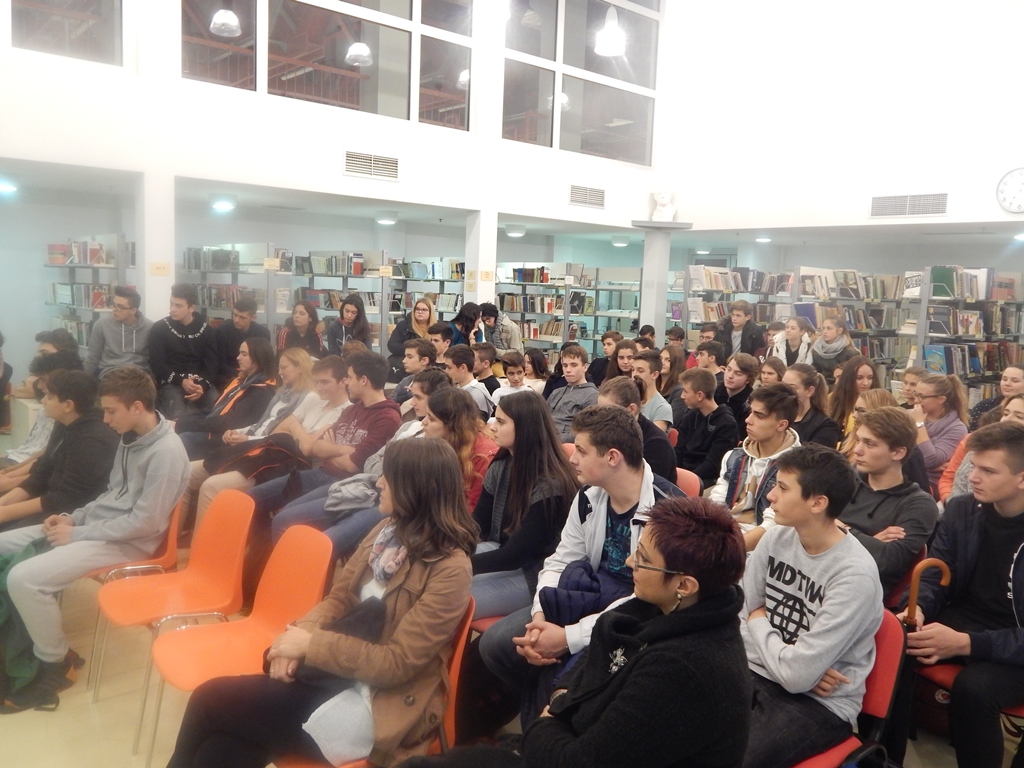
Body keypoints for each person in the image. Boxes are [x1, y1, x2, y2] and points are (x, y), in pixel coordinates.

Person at [165, 438, 476, 768]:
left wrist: (310, 646)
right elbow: (340, 597)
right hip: (335, 672)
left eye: (390, 476)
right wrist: (296, 639)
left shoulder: (450, 570)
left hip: (377, 704)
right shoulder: (388, 530)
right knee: (224, 746)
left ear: (418, 488)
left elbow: (395, 664)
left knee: (209, 701)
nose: (379, 483)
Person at [499, 497, 751, 768]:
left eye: (643, 558)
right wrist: (561, 698)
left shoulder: (683, 670)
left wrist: (545, 724)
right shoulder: (658, 606)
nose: (630, 561)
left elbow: (580, 762)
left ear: (684, 585)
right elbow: (594, 654)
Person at [0, 366, 190, 711]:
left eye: (111, 411)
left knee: (24, 579)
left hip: (129, 543)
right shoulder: (129, 438)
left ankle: (56, 664)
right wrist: (73, 517)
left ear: (137, 407)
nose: (105, 419)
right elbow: (110, 496)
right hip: (97, 529)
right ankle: (20, 641)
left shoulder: (167, 452)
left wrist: (77, 533)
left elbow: (145, 523)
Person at [478, 406, 683, 720]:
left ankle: (555, 717)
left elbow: (649, 600)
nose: (572, 458)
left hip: (638, 613)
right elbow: (561, 560)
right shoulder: (589, 495)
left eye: (582, 451)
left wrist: (567, 638)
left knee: (569, 682)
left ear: (612, 457)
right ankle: (537, 710)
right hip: (588, 596)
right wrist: (541, 614)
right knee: (495, 645)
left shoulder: (668, 513)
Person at [887, 421, 1024, 768]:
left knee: (975, 690)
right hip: (967, 621)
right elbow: (936, 574)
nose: (972, 477)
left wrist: (966, 644)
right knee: (891, 644)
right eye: (973, 466)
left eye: (988, 471)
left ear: (1022, 479)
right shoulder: (963, 510)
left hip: (1014, 642)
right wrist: (917, 608)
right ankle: (884, 758)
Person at [741, 444, 883, 768]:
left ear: (818, 503)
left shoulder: (854, 575)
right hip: (762, 672)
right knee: (677, 722)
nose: (771, 496)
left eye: (782, 488)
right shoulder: (776, 538)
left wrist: (759, 621)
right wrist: (796, 668)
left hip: (819, 703)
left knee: (734, 759)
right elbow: (738, 619)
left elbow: (796, 676)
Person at [270, 368, 451, 563]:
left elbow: (356, 464)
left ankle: (297, 577)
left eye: (418, 397)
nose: (412, 402)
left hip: (388, 501)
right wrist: (346, 452)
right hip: (363, 485)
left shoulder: (435, 445)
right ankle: (277, 575)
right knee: (283, 518)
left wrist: (337, 451)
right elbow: (370, 462)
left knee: (321, 544)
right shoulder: (410, 427)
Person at [187, 350, 338, 525]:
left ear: (300, 368)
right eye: (279, 367)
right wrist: (240, 432)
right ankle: (176, 532)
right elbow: (273, 427)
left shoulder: (310, 397)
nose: (280, 372)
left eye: (284, 367)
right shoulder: (283, 393)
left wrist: (292, 428)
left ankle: (205, 539)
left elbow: (299, 444)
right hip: (258, 445)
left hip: (273, 457)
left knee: (210, 482)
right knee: (187, 472)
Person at [471, 392, 578, 620]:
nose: (492, 427)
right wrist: (446, 546)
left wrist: (459, 565)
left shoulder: (551, 485)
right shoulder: (502, 464)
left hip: (538, 572)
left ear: (525, 428)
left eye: (501, 422)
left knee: (450, 597)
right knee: (435, 577)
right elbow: (479, 522)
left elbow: (516, 555)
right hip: (501, 549)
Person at [0, 370, 118, 534]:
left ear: (68, 405)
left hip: (71, 517)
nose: (43, 401)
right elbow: (41, 474)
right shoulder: (64, 422)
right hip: (51, 501)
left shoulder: (93, 439)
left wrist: (5, 513)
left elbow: (67, 499)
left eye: (49, 397)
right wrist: (3, 504)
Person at [841, 407, 939, 592]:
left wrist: (840, 528)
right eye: (858, 440)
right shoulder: (844, 479)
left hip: (861, 591)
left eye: (870, 444)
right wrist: (871, 542)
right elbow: (806, 528)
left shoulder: (918, 504)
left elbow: (887, 562)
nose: (857, 450)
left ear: (898, 453)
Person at [707, 383, 800, 552]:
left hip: (763, 547)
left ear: (781, 425)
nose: (748, 420)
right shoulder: (734, 457)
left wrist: (725, 550)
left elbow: (774, 525)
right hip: (725, 534)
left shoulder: (796, 468)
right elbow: (718, 502)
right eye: (751, 412)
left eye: (759, 415)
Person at [174, 337, 279, 460]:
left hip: (228, 439)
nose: (238, 357)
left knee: (182, 439)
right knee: (176, 428)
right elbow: (214, 409)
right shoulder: (240, 381)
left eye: (244, 354)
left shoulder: (261, 392)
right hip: (217, 430)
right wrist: (182, 421)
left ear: (258, 358)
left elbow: (227, 422)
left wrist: (182, 425)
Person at [148, 283, 220, 420]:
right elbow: (157, 363)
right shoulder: (160, 328)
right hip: (171, 382)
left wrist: (202, 386)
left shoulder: (206, 330)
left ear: (191, 308)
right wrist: (181, 381)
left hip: (199, 382)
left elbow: (212, 364)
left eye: (178, 306)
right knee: (178, 415)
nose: (172, 309)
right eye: (171, 304)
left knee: (217, 410)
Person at [422, 388, 498, 510]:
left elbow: (473, 511)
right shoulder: (445, 444)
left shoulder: (483, 458)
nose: (423, 422)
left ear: (452, 425)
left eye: (431, 418)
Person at [940, 393, 1024, 503]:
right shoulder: (978, 448)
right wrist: (950, 502)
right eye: (1005, 413)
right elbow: (953, 483)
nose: (1006, 419)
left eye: (1019, 417)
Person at [597, 377, 677, 483]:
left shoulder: (657, 444)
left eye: (609, 411)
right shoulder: (607, 433)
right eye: (600, 410)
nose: (602, 417)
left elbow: (648, 486)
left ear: (631, 409)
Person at [674, 367, 740, 489]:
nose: (682, 396)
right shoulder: (690, 416)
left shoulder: (726, 424)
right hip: (683, 475)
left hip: (707, 481)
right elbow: (679, 451)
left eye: (685, 391)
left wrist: (687, 480)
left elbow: (713, 465)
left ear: (700, 395)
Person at [909, 372, 969, 490]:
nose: (916, 400)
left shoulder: (956, 428)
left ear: (941, 399)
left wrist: (918, 424)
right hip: (905, 476)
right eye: (915, 394)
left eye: (921, 396)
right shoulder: (909, 415)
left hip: (931, 485)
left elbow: (929, 460)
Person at [84, 285, 153, 378]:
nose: (115, 309)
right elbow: (93, 357)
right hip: (111, 372)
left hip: (140, 373)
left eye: (120, 307)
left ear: (133, 310)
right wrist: (82, 379)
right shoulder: (101, 325)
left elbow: (154, 359)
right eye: (114, 305)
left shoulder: (150, 327)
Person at [210, 297, 271, 390]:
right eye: (235, 315)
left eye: (242, 317)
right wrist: (239, 374)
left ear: (253, 317)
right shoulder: (221, 331)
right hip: (228, 376)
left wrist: (248, 374)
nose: (236, 320)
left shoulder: (262, 333)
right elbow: (220, 363)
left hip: (254, 375)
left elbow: (263, 361)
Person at [545, 345, 598, 443]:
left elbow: (585, 432)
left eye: (574, 365)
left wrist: (550, 440)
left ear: (585, 367)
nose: (568, 370)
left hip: (563, 444)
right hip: (545, 439)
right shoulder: (556, 392)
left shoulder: (592, 395)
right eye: (565, 365)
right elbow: (542, 419)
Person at [782, 363, 842, 448]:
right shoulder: (775, 416)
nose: (783, 391)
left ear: (809, 391)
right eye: (782, 385)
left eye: (792, 388)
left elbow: (813, 455)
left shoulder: (826, 427)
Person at [828, 355, 880, 438]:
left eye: (870, 378)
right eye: (859, 378)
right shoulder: (832, 400)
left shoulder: (880, 401)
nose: (866, 383)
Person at [386, 298, 434, 380]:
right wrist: (411, 351)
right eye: (417, 309)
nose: (420, 312)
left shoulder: (436, 328)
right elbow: (392, 345)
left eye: (424, 310)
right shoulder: (404, 326)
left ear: (430, 312)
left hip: (429, 365)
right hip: (406, 365)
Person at [443, 345, 493, 419]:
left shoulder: (475, 394)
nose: (446, 371)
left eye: (449, 368)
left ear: (463, 368)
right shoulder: (458, 388)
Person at [969, 363, 1024, 430]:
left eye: (1015, 381)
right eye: (1004, 379)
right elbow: (971, 430)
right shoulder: (985, 405)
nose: (1007, 384)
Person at [631, 350, 672, 432]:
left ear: (654, 375)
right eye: (632, 370)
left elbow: (655, 437)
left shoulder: (662, 407)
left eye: (640, 371)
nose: (634, 375)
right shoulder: (627, 399)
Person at [810, 316, 858, 384]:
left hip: (841, 386)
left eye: (829, 328)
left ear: (839, 330)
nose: (825, 331)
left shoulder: (850, 352)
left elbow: (852, 376)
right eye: (823, 328)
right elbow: (815, 373)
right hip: (822, 386)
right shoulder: (816, 350)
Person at [390, 338, 436, 406]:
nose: (404, 361)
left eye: (410, 357)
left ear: (424, 360)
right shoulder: (406, 381)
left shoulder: (437, 382)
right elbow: (391, 403)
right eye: (405, 356)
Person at [716, 353, 758, 425]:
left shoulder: (752, 403)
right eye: (728, 369)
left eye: (738, 373)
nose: (730, 376)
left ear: (748, 379)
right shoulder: (712, 393)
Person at [657, 344, 686, 425]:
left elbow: (673, 420)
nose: (662, 363)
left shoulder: (680, 390)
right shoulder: (653, 384)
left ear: (676, 363)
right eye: (660, 358)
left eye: (668, 360)